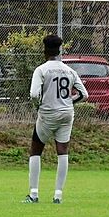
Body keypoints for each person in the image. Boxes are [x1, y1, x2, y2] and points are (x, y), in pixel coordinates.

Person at [24, 34, 88, 204]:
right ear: (59, 51)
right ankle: (58, 195)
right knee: (62, 151)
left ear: (45, 51)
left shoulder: (41, 70)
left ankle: (34, 194)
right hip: (67, 113)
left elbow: (34, 94)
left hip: (48, 113)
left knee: (36, 149)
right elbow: (84, 94)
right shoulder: (69, 70)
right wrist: (69, 102)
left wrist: (38, 106)